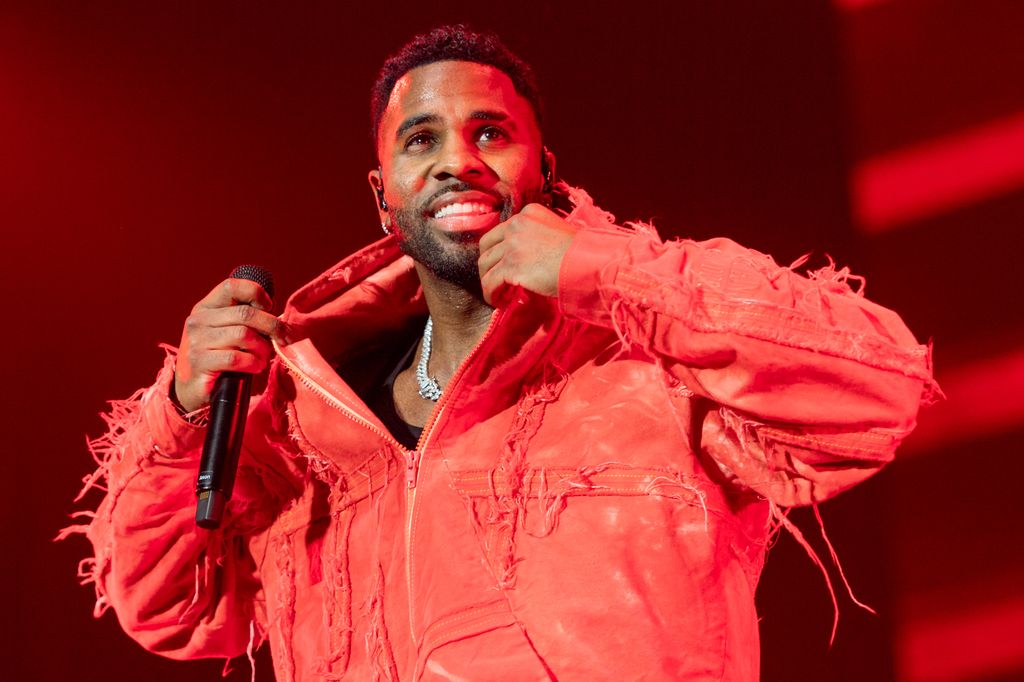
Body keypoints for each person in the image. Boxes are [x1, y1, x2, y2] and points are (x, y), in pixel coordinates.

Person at [67, 24, 935, 681]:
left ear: (544, 170)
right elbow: (168, 604)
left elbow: (877, 392)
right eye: (422, 140)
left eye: (491, 134)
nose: (458, 162)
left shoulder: (643, 363)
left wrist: (602, 270)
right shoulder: (303, 419)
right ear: (383, 198)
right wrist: (182, 411)